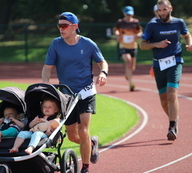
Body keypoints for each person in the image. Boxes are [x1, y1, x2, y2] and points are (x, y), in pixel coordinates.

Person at [41, 12, 108, 173]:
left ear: (75, 27)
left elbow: (102, 62)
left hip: (86, 92)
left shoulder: (88, 44)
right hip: (66, 95)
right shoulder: (56, 44)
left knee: (83, 129)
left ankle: (85, 167)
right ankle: (91, 144)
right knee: (72, 136)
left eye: (64, 26)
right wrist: (45, 84)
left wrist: (103, 73)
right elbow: (47, 68)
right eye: (59, 26)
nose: (61, 29)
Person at [140, 0, 192, 141]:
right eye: (160, 10)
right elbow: (142, 45)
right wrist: (157, 44)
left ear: (170, 8)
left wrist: (190, 43)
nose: (162, 13)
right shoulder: (152, 25)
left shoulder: (179, 22)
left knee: (171, 94)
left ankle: (172, 126)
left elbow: (186, 34)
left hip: (175, 62)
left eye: (164, 9)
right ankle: (174, 118)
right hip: (159, 65)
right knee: (164, 100)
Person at [114, 6, 142, 91]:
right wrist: (118, 35)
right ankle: (131, 84)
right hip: (123, 46)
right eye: (127, 14)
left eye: (130, 14)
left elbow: (140, 31)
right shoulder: (120, 22)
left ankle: (127, 74)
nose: (128, 16)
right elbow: (116, 30)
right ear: (124, 13)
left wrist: (138, 35)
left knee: (132, 67)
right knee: (128, 60)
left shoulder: (135, 22)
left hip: (133, 46)